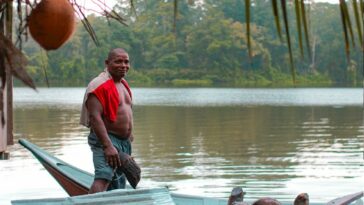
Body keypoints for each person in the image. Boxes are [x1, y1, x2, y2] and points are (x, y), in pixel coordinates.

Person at [80, 48, 135, 194]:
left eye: (126, 62)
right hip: (106, 140)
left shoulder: (123, 84)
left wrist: (129, 136)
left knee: (117, 182)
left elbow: (127, 112)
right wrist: (108, 146)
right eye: (118, 61)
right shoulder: (98, 85)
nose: (123, 65)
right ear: (107, 63)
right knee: (104, 178)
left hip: (123, 142)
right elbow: (95, 118)